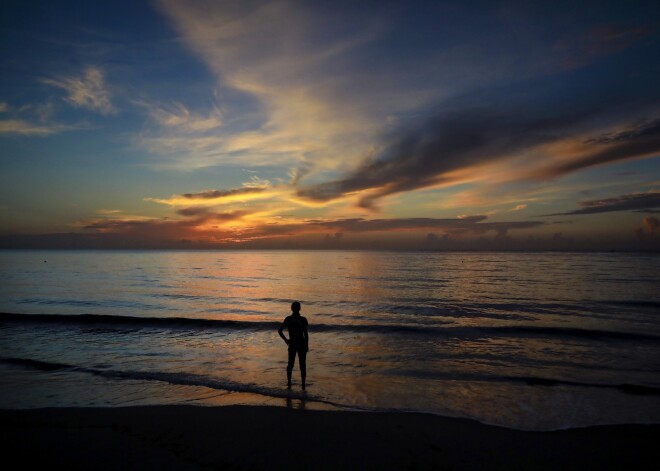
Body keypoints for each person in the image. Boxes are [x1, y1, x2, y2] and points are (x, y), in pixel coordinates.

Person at [278, 301, 309, 390]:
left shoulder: (288, 319)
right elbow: (306, 334)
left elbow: (279, 330)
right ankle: (303, 385)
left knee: (290, 364)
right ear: (299, 309)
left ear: (291, 308)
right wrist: (306, 345)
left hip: (292, 344)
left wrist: (286, 340)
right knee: (302, 365)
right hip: (301, 344)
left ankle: (289, 383)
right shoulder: (303, 319)